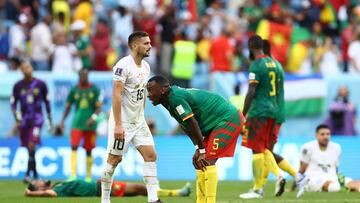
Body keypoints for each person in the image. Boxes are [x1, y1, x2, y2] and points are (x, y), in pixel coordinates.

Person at [147, 75, 244, 203]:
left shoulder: (175, 98)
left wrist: (203, 151)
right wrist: (198, 148)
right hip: (215, 124)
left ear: (163, 90)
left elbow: (193, 123)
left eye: (151, 90)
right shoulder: (167, 100)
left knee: (207, 161)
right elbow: (185, 126)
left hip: (228, 119)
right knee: (200, 163)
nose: (148, 94)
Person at [101, 31, 161, 203]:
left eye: (150, 43)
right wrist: (118, 125)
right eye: (146, 43)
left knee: (151, 155)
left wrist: (142, 116)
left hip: (138, 121)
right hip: (123, 122)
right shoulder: (122, 66)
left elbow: (141, 94)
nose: (150, 46)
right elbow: (116, 95)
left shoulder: (146, 67)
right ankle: (105, 200)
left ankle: (153, 199)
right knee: (114, 159)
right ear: (135, 46)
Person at [239, 35, 286, 199]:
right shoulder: (275, 64)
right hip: (273, 110)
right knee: (264, 147)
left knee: (257, 148)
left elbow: (251, 91)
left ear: (251, 47)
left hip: (259, 111)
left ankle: (261, 187)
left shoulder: (257, 65)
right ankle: (276, 179)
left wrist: (242, 115)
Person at [260, 40, 297, 188]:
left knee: (264, 150)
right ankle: (261, 187)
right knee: (266, 151)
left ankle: (294, 176)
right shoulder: (278, 66)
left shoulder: (264, 66)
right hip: (277, 112)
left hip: (271, 113)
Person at [57, 69, 102, 181]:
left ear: (88, 76)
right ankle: (73, 175)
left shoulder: (94, 89)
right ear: (78, 76)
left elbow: (99, 107)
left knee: (89, 150)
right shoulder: (74, 90)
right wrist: (62, 121)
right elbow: (68, 107)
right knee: (74, 147)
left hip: (90, 125)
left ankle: (88, 176)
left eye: (85, 75)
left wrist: (93, 118)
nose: (83, 77)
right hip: (76, 124)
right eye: (81, 75)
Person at [10, 61, 52, 182]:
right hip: (24, 121)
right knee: (29, 148)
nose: (26, 70)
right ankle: (34, 174)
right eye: (23, 68)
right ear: (21, 71)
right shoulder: (18, 86)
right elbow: (13, 102)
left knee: (32, 144)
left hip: (37, 120)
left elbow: (46, 101)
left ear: (32, 68)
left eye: (27, 67)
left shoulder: (41, 84)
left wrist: (49, 117)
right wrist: (16, 115)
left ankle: (29, 175)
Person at [296, 124, 360, 197]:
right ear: (316, 135)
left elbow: (336, 168)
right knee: (330, 185)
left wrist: (338, 177)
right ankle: (346, 188)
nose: (325, 137)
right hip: (314, 178)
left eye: (328, 134)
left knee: (354, 182)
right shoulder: (307, 147)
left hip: (332, 176)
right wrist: (294, 187)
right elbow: (301, 170)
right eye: (322, 134)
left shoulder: (336, 147)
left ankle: (350, 188)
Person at [25, 179, 191, 198]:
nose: (40, 180)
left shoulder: (59, 185)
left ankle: (176, 193)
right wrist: (32, 194)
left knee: (141, 190)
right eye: (36, 182)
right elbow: (47, 194)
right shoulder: (58, 191)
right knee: (141, 188)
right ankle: (178, 193)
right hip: (103, 189)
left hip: (103, 185)